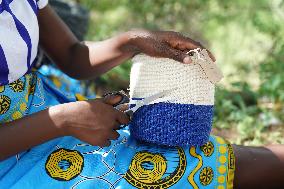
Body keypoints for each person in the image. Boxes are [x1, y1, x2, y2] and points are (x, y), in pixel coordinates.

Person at [0, 1, 283, 188]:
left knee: (198, 156)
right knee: (157, 170)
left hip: (38, 113)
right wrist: (61, 121)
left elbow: (72, 55)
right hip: (12, 156)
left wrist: (131, 42)